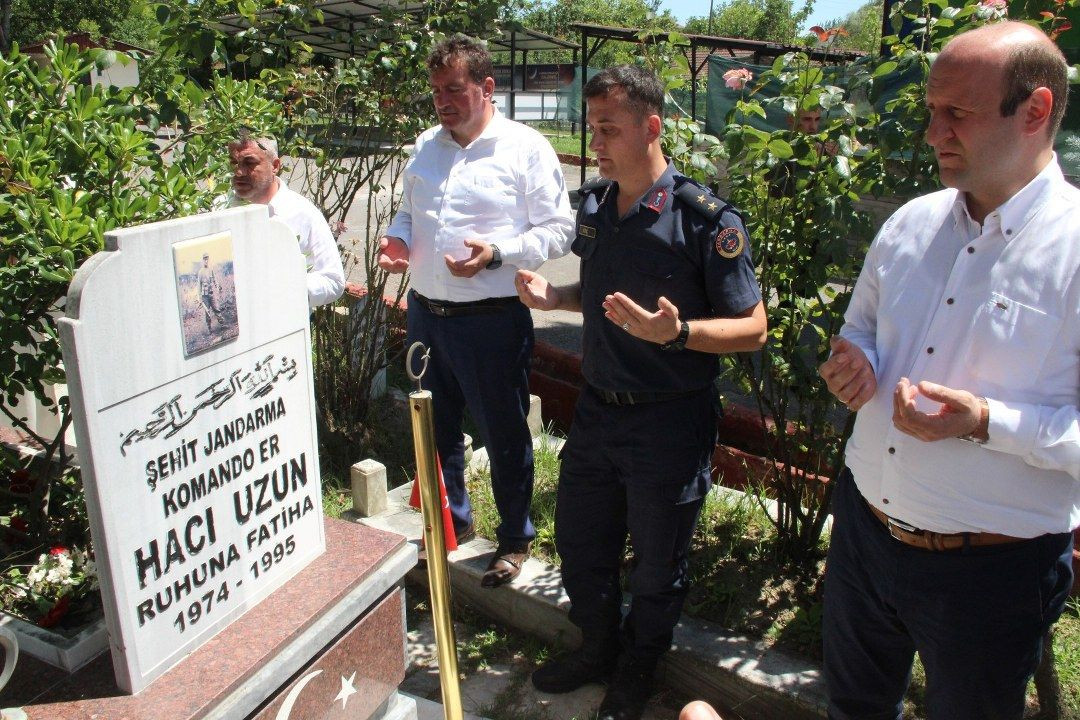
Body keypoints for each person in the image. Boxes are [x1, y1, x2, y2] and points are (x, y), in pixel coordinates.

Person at [818, 21, 1078, 720]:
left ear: (1035, 111)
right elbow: (861, 331)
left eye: (957, 113)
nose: (934, 133)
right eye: (932, 112)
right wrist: (856, 365)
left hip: (991, 576)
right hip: (865, 537)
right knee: (852, 708)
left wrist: (988, 422)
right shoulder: (910, 224)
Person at [518, 66, 766, 720]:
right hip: (599, 412)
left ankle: (638, 667)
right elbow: (600, 300)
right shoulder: (597, 206)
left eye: (608, 128)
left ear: (651, 127)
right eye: (591, 125)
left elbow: (754, 327)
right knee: (581, 543)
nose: (594, 140)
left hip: (669, 423)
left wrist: (678, 332)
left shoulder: (703, 219)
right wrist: (557, 296)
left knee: (658, 564)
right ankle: (596, 647)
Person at [377, 35, 573, 587]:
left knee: (502, 430)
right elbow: (407, 212)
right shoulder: (426, 145)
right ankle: (450, 525)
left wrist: (497, 256)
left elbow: (559, 230)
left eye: (454, 89)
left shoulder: (524, 147)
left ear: (487, 88)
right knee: (434, 430)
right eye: (436, 90)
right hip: (425, 314)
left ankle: (514, 538)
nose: (443, 100)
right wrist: (396, 240)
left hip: (491, 319)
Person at [227, 133, 345, 308]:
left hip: (285, 328)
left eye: (249, 163)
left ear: (275, 166)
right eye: (234, 163)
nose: (238, 172)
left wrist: (284, 288)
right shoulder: (219, 210)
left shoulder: (303, 214)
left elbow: (333, 281)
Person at [197, 252, 223, 328]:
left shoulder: (211, 269)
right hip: (205, 297)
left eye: (207, 259)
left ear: (209, 259)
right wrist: (200, 298)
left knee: (216, 309)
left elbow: (215, 280)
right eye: (205, 259)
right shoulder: (200, 272)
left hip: (211, 294)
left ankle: (222, 324)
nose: (206, 261)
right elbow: (199, 286)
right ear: (202, 260)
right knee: (207, 313)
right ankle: (209, 329)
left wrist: (217, 286)